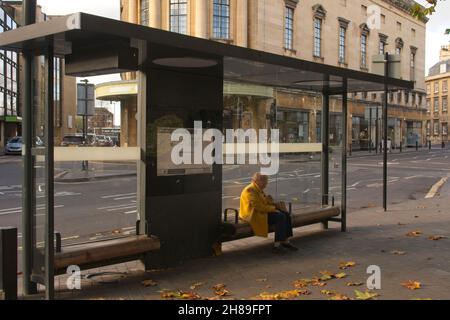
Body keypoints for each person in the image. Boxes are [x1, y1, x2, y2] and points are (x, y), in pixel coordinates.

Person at [239, 173, 298, 253]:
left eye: (266, 183)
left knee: (286, 214)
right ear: (258, 181)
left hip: (261, 212)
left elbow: (263, 202)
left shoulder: (258, 188)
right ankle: (277, 245)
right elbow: (258, 207)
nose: (266, 185)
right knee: (280, 216)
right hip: (253, 214)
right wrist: (273, 209)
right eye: (264, 183)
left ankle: (285, 241)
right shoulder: (250, 190)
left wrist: (271, 202)